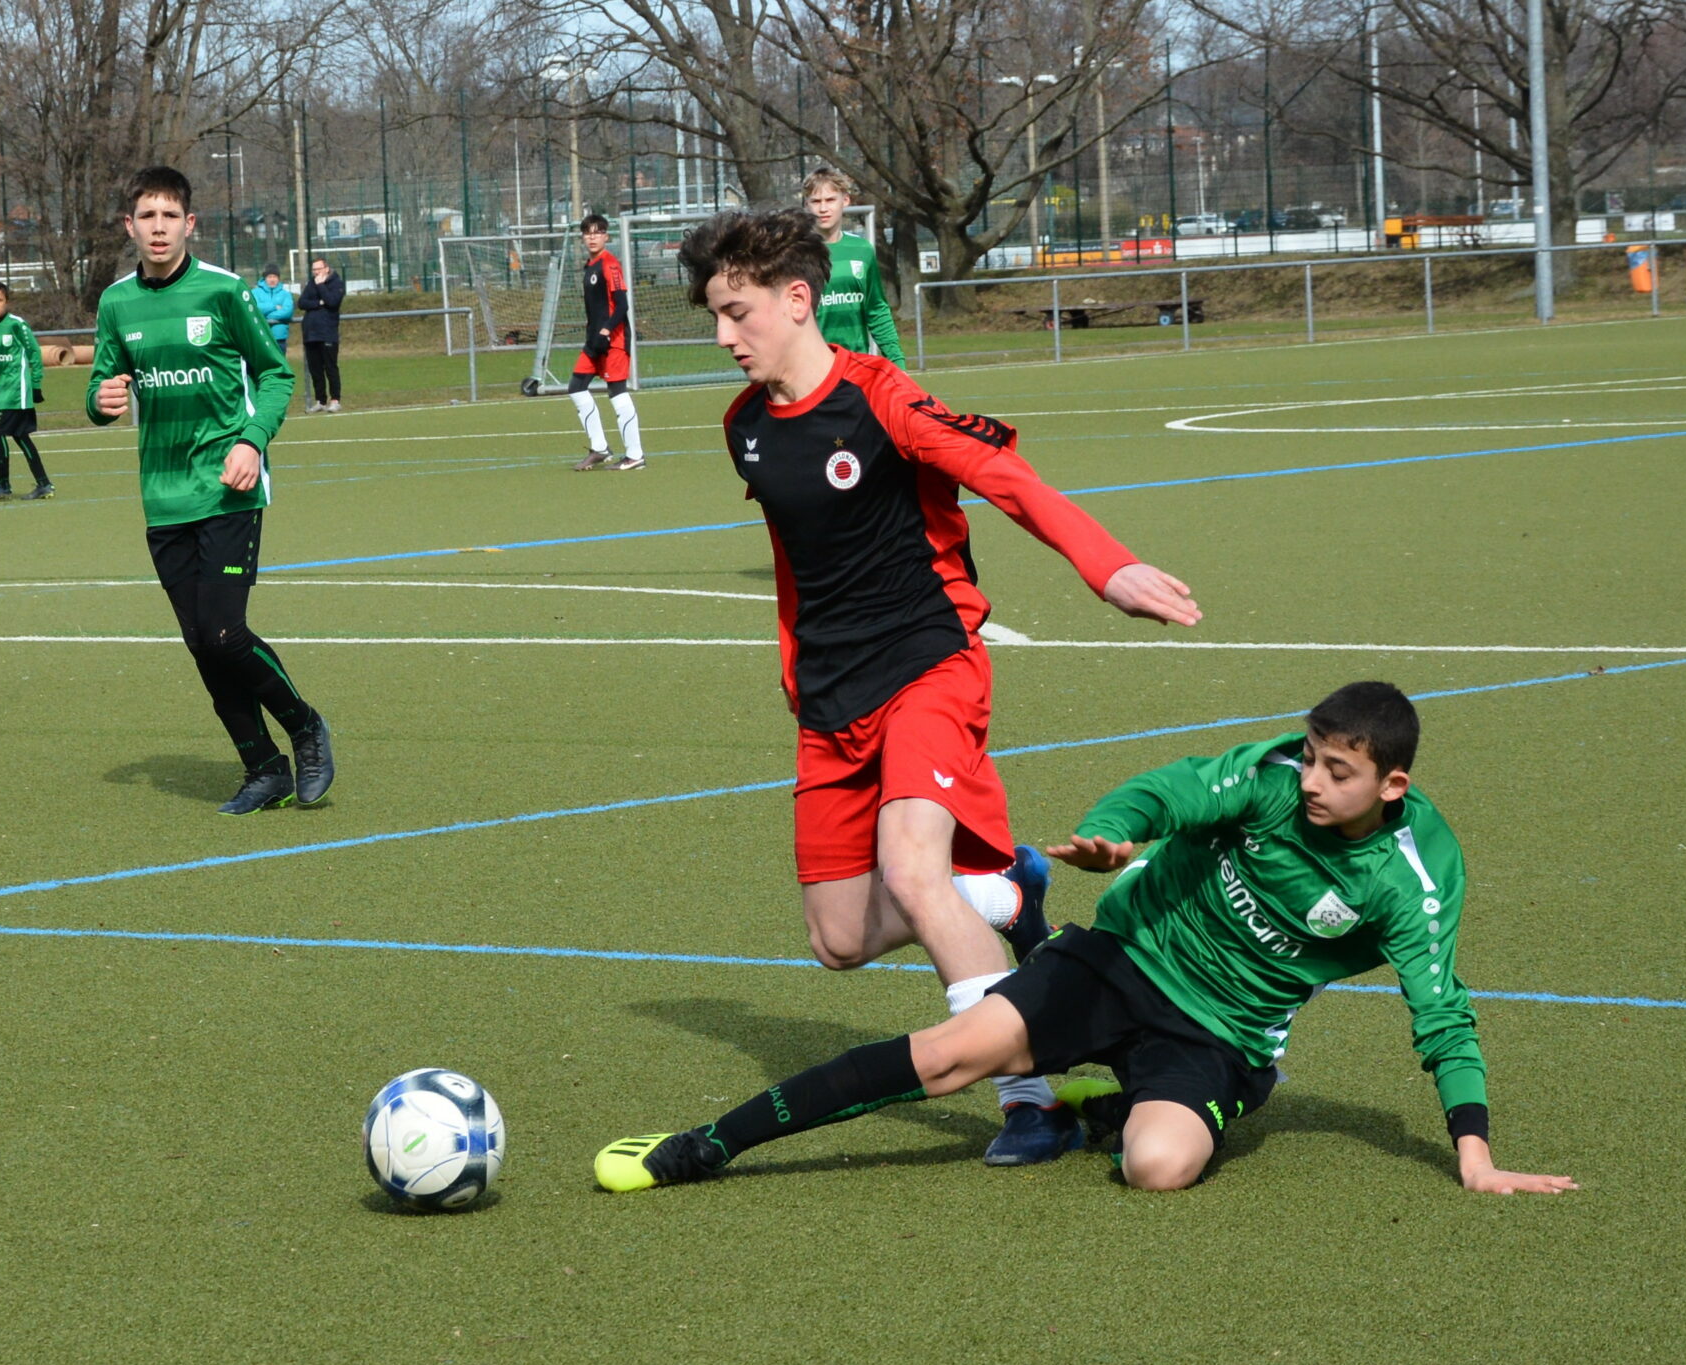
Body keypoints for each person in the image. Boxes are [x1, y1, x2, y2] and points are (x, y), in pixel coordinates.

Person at [598, 681, 1580, 1197]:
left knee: (1158, 1167)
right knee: (949, 1056)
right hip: (1126, 956)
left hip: (1224, 1034)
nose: (1313, 781)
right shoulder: (1274, 774)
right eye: (1313, 758)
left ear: (1393, 786)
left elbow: (1441, 1012)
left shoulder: (1414, 880)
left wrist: (1474, 1151)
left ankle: (1101, 1103)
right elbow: (1170, 791)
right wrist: (1114, 832)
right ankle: (707, 1146)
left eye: (1338, 772)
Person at [676, 206, 1201, 1167]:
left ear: (797, 301)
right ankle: (1002, 895)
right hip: (831, 703)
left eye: (736, 312)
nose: (722, 336)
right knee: (838, 940)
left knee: (915, 874)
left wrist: (1107, 566)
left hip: (929, 667)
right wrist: (797, 672)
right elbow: (798, 562)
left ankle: (1029, 1103)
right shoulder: (744, 427)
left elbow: (1006, 478)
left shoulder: (884, 399)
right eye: (714, 314)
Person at [88, 166, 333, 816]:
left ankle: (306, 726)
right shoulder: (116, 303)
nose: (159, 227)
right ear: (130, 226)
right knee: (200, 643)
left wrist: (252, 441)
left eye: (170, 216)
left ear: (189, 224)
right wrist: (98, 400)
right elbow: (104, 382)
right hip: (163, 497)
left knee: (224, 634)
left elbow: (276, 377)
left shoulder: (224, 291)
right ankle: (264, 769)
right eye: (147, 216)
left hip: (229, 488)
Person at [803, 166, 907, 364]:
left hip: (857, 363)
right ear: (807, 205)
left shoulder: (862, 250)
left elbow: (876, 309)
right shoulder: (796, 253)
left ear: (845, 200)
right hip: (812, 366)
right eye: (816, 201)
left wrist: (896, 360)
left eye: (830, 200)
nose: (823, 208)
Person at [568, 214, 645, 471]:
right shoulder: (589, 266)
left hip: (614, 340)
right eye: (588, 233)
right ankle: (600, 448)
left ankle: (635, 455)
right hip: (594, 341)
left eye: (597, 232)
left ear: (606, 236)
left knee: (617, 392)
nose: (592, 237)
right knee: (576, 387)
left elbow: (622, 305)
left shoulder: (610, 264)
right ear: (582, 237)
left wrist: (606, 330)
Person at [0, 282, 52, 501]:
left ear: (7, 302)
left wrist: (36, 385)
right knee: (20, 436)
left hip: (19, 391)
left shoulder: (17, 325)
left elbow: (34, 354)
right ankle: (44, 484)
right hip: (2, 392)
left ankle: (3, 485)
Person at [296, 256, 343, 412]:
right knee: (315, 369)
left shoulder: (336, 283)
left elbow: (332, 302)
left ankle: (335, 400)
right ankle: (320, 401)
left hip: (327, 332)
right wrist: (319, 303)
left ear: (326, 269)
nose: (316, 272)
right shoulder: (311, 283)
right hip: (311, 333)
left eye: (319, 269)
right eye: (314, 269)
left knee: (330, 367)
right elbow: (302, 302)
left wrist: (321, 286)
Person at [253, 265, 296, 355]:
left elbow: (288, 312)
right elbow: (255, 309)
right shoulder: (255, 293)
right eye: (269, 277)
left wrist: (266, 316)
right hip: (260, 336)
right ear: (265, 278)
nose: (272, 280)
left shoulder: (286, 294)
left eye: (275, 277)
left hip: (279, 338)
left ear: (278, 278)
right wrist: (274, 307)